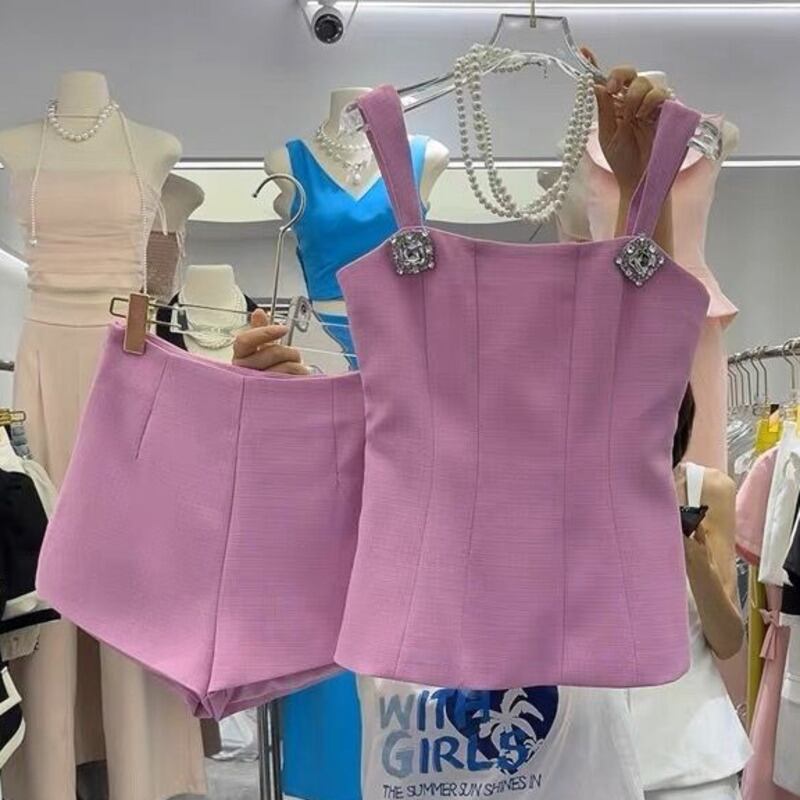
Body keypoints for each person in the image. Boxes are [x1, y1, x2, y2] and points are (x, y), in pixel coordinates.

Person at [625, 386, 752, 800]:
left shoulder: (708, 490)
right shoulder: (578, 493)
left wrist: (696, 561)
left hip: (694, 748)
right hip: (599, 743)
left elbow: (728, 642)